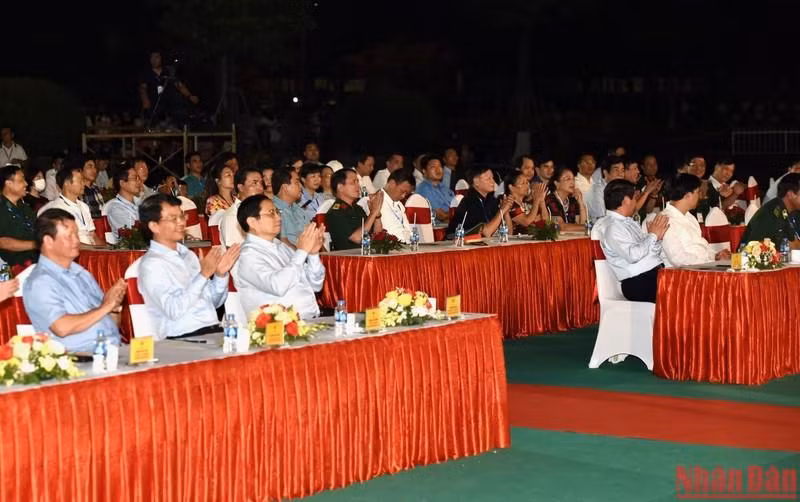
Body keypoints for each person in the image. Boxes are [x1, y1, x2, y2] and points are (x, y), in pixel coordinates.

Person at [137, 194, 239, 339]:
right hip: (183, 338)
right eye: (173, 218)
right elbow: (174, 310)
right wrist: (203, 276)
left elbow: (213, 303)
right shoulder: (151, 265)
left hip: (212, 331)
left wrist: (220, 275)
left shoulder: (188, 255)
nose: (181, 222)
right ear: (154, 226)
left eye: (181, 216)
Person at [23, 209, 125, 352]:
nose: (76, 241)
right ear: (48, 241)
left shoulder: (82, 274)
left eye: (76, 234)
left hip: (112, 348)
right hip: (79, 357)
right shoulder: (40, 282)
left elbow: (110, 323)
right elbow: (61, 328)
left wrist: (115, 306)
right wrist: (106, 306)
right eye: (69, 236)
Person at [233, 195, 326, 318]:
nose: (278, 217)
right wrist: (302, 251)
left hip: (310, 317)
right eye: (271, 213)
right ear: (252, 222)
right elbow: (278, 286)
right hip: (277, 325)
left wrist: (313, 254)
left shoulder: (283, 248)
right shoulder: (247, 256)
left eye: (277, 212)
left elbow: (315, 286)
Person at [599, 180, 669, 303]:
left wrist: (657, 238)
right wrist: (652, 236)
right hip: (637, 282)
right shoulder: (612, 227)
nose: (636, 202)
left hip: (652, 275)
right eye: (635, 198)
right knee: (681, 293)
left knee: (689, 286)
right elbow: (633, 256)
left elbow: (652, 254)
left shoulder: (629, 222)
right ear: (626, 200)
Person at [659, 174, 730, 267]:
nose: (700, 196)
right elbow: (678, 259)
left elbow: (701, 245)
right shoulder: (665, 219)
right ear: (688, 195)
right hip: (684, 272)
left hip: (703, 267)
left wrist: (716, 256)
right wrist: (711, 261)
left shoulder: (689, 217)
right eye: (697, 192)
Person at [38, 166, 101, 246]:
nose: (83, 184)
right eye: (80, 181)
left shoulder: (84, 206)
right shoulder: (55, 208)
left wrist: (107, 249)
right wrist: (91, 249)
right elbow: (63, 241)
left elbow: (93, 235)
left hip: (90, 250)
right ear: (67, 183)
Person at [326, 168, 384, 250]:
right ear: (340, 187)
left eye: (358, 182)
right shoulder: (336, 212)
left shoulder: (357, 208)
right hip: (348, 256)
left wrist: (377, 214)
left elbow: (377, 235)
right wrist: (373, 213)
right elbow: (357, 238)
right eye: (353, 182)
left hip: (366, 253)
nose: (358, 186)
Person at [447, 166, 513, 238]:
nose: (493, 182)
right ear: (476, 182)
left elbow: (509, 233)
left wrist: (506, 211)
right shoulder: (470, 201)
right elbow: (486, 233)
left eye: (492, 178)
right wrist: (502, 210)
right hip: (459, 242)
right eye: (488, 179)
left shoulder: (490, 200)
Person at [138, 50, 199, 126]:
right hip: (155, 104)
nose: (154, 60)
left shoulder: (168, 71)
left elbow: (179, 85)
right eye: (152, 58)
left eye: (156, 57)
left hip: (170, 104)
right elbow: (142, 88)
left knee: (180, 110)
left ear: (161, 59)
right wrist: (145, 100)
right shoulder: (146, 73)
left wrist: (190, 96)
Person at [740, 173, 800, 248]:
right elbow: (752, 248)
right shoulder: (772, 213)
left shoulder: (784, 211)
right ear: (791, 194)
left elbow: (793, 242)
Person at [0, 165, 38, 266]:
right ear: (9, 183)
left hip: (35, 260)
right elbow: (3, 242)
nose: (26, 184)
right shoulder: (2, 209)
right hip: (15, 266)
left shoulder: (24, 207)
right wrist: (36, 244)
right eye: (21, 180)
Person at [220, 167, 264, 247]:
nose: (261, 188)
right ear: (241, 187)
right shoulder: (233, 216)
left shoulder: (261, 211)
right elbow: (233, 251)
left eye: (261, 183)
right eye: (254, 183)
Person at [374, 169, 416, 242]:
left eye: (406, 194)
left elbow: (407, 230)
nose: (403, 196)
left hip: (405, 244)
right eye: (402, 191)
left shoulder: (400, 205)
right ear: (392, 183)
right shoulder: (374, 200)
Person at [271, 168, 308, 246]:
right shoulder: (273, 210)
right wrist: (303, 252)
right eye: (297, 182)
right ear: (285, 187)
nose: (301, 186)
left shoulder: (298, 209)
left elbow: (312, 234)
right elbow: (283, 242)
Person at [105, 164, 143, 240]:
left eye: (138, 178)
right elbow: (133, 234)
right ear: (122, 183)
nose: (139, 181)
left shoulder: (140, 202)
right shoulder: (115, 208)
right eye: (135, 178)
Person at [545, 166, 587, 230]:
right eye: (568, 179)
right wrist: (588, 227)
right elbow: (562, 227)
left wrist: (581, 202)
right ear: (556, 183)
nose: (572, 182)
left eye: (573, 179)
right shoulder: (550, 200)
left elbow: (582, 223)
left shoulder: (572, 200)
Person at [416, 154, 455, 223]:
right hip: (439, 227)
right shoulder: (424, 189)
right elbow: (441, 215)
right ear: (424, 171)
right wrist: (457, 214)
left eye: (440, 166)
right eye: (433, 167)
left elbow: (458, 206)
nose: (438, 169)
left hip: (453, 223)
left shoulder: (445, 188)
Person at [588, 156, 626, 222]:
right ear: (605, 173)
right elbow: (601, 218)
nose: (620, 174)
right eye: (616, 170)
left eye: (622, 170)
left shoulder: (620, 189)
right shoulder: (597, 191)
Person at [78, 154, 105, 219]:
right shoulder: (78, 189)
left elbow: (102, 210)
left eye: (95, 167)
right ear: (80, 170)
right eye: (90, 167)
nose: (94, 170)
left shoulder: (95, 187)